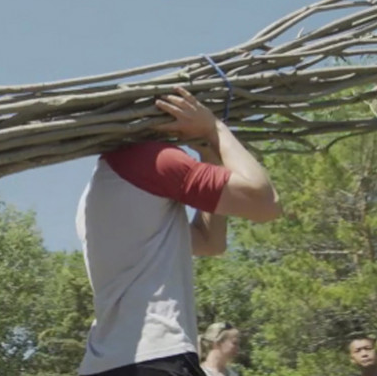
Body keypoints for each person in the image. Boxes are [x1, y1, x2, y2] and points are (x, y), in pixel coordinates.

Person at [75, 86, 282, 376]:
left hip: (104, 364)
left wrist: (209, 157)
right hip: (156, 355)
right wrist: (215, 128)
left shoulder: (98, 188)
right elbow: (266, 204)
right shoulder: (153, 160)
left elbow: (210, 242)